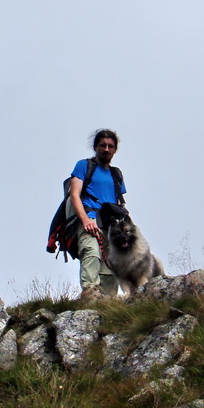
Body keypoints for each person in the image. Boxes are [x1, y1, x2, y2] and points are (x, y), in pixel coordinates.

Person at [68, 129, 126, 300]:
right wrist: (85, 219)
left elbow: (119, 202)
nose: (106, 149)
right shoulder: (84, 166)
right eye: (102, 145)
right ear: (95, 147)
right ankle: (90, 297)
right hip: (90, 219)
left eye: (110, 146)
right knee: (92, 253)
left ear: (115, 149)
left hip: (111, 226)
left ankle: (108, 305)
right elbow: (74, 195)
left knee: (111, 265)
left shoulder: (117, 174)